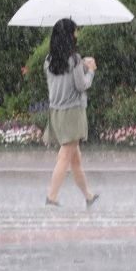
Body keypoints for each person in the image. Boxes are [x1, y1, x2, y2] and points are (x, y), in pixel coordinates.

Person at [43, 18, 100, 208]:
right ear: (69, 36)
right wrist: (90, 70)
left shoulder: (49, 60)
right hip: (73, 113)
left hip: (56, 113)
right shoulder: (73, 59)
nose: (77, 34)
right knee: (65, 156)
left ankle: (88, 195)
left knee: (75, 158)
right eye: (75, 31)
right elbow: (81, 85)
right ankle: (51, 197)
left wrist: (81, 64)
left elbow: (62, 79)